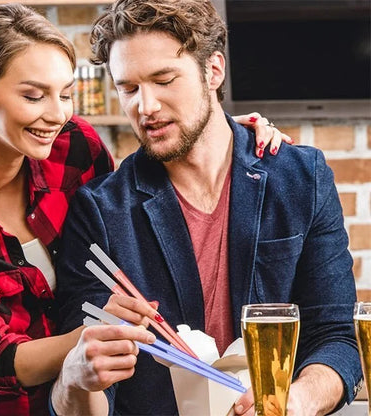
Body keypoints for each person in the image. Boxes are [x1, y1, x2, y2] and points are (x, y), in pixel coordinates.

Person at [0, 3, 285, 416]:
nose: (56, 114)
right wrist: (91, 338)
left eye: (65, 94)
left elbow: (123, 206)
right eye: (33, 96)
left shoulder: (73, 149)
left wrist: (215, 131)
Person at [51, 0, 363, 415]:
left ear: (213, 70)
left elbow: (338, 337)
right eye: (128, 88)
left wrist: (296, 402)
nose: (145, 107)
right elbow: (88, 391)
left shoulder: (301, 178)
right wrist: (74, 382)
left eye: (164, 80)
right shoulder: (100, 210)